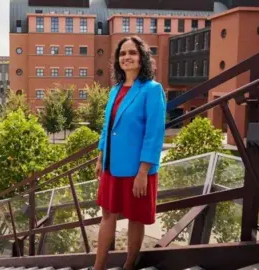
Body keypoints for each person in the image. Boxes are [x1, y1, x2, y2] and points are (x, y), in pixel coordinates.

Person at [94, 36, 166, 270]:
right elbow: (107, 127)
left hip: (138, 170)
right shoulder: (115, 90)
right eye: (122, 53)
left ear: (142, 57)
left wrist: (143, 171)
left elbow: (154, 134)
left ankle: (128, 265)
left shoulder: (152, 90)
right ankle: (98, 266)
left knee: (135, 219)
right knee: (107, 215)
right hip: (111, 166)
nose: (126, 57)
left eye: (132, 53)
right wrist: (100, 157)